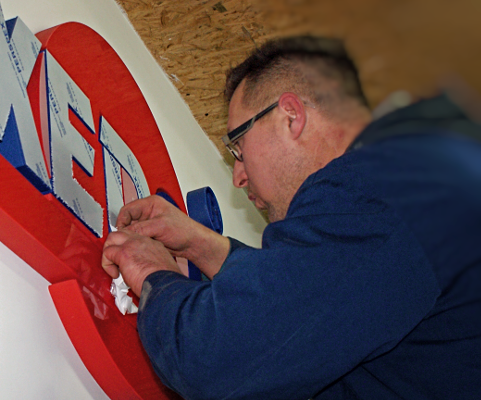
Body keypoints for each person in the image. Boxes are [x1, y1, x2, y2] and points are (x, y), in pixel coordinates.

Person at [101, 36, 481, 399]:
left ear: (290, 116)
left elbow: (214, 361)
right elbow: (306, 298)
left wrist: (152, 272)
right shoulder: (396, 206)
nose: (238, 177)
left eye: (238, 147)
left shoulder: (378, 190)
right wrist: (205, 247)